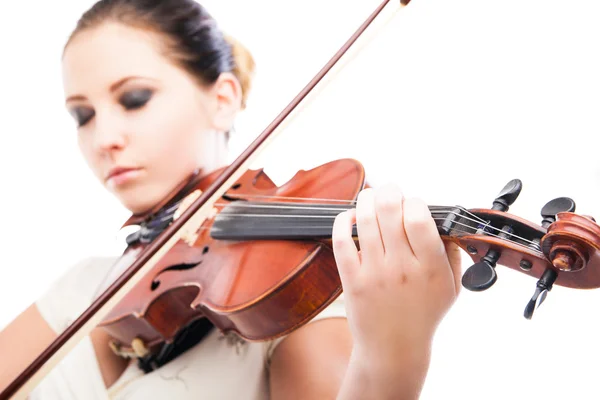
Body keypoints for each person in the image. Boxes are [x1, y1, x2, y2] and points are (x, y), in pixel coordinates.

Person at [0, 0, 463, 399]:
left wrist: (391, 357)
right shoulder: (86, 288)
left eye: (135, 98)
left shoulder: (290, 299)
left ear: (222, 99)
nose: (103, 137)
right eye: (83, 115)